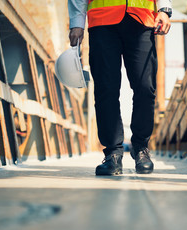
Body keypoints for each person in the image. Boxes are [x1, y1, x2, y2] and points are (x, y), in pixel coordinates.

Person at [68, 0, 172, 175]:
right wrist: (77, 23)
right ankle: (113, 154)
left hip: (142, 20)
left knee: (145, 87)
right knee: (106, 89)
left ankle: (140, 148)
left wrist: (164, 9)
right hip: (102, 22)